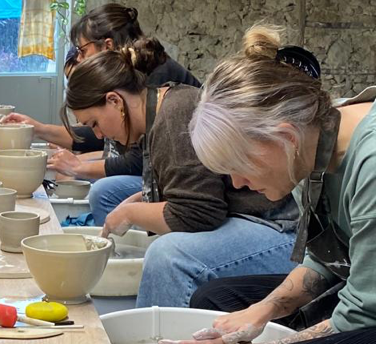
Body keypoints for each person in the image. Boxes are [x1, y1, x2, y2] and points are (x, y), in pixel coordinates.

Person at [155, 25, 376, 344]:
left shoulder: (369, 162)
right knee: (217, 300)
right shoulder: (310, 138)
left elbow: (364, 312)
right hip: (364, 289)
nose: (238, 184)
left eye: (238, 168)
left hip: (371, 307)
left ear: (284, 138)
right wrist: (263, 310)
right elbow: (325, 257)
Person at [62, 49, 298, 308]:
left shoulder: (175, 112)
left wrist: (132, 213)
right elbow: (198, 185)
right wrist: (142, 198)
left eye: (94, 123)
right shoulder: (162, 108)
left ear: (115, 101)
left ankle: (154, 341)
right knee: (109, 195)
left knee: (168, 256)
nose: (100, 133)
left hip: (281, 228)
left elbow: (199, 214)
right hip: (251, 216)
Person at [2, 3, 200, 225]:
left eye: (82, 51)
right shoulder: (133, 94)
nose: (79, 59)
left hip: (206, 201)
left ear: (107, 46)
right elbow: (105, 139)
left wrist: (80, 168)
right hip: (178, 185)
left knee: (104, 191)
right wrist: (40, 130)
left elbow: (141, 164)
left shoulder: (164, 96)